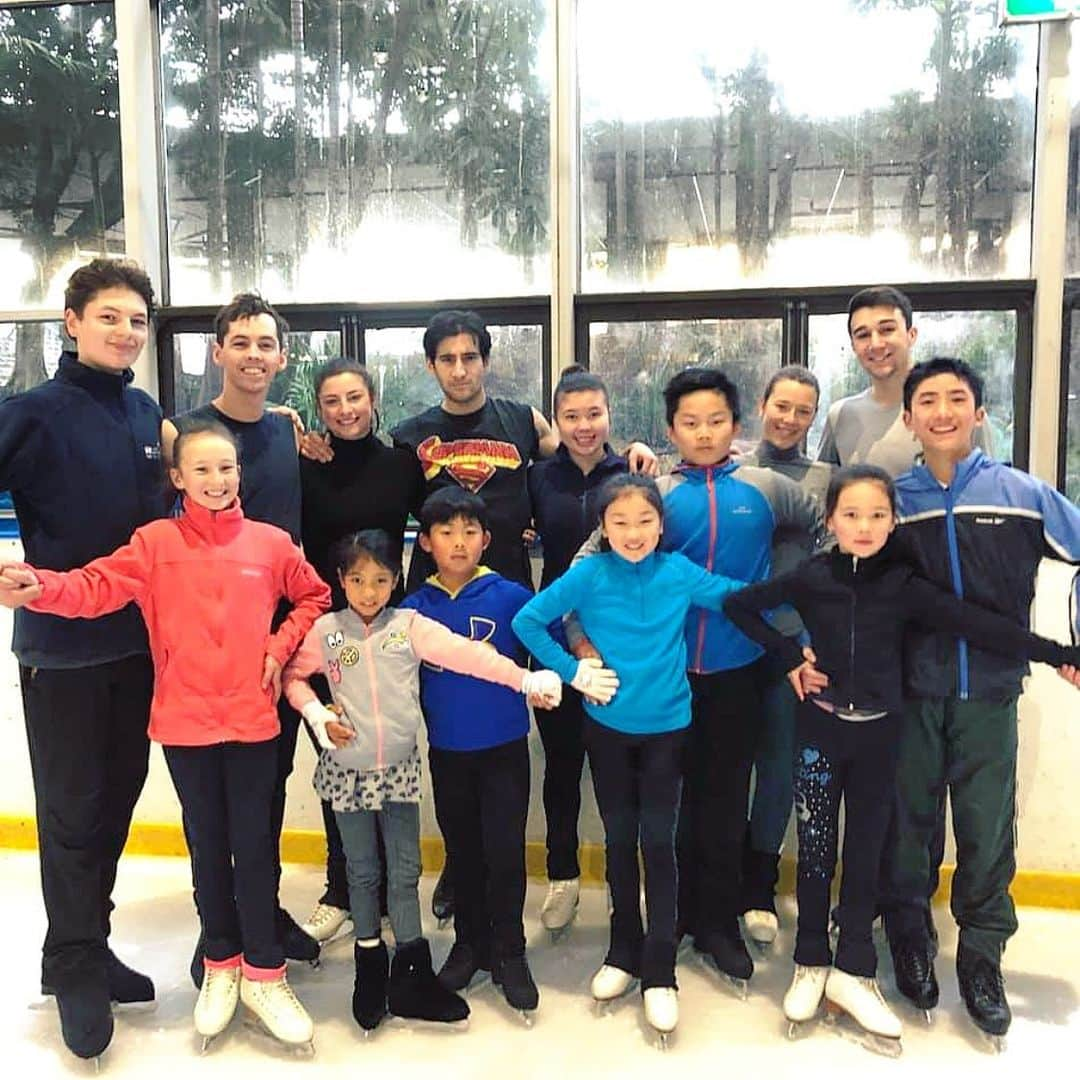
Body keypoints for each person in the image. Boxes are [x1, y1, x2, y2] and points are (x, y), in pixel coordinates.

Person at [723, 464, 1080, 1049]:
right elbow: (740, 606)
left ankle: (856, 970)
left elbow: (984, 627)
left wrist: (1059, 652)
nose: (864, 527)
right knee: (815, 853)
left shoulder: (907, 586)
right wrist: (789, 655)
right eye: (851, 515)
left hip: (879, 740)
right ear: (832, 520)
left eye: (877, 515)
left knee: (866, 854)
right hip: (820, 735)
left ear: (894, 522)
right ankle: (811, 959)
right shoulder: (813, 577)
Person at [0, 422, 331, 1051]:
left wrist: (278, 644)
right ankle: (220, 964)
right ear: (177, 478)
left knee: (255, 848)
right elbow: (96, 587)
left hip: (255, 719)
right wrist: (40, 587)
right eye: (201, 470)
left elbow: (313, 596)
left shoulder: (270, 543)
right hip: (185, 724)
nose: (217, 481)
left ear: (241, 475)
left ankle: (265, 971)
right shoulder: (154, 543)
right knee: (207, 849)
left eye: (227, 469)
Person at [282, 529, 560, 1034]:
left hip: (400, 770)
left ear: (395, 581)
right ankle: (370, 967)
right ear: (342, 580)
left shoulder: (408, 624)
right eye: (358, 580)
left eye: (382, 580)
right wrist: (318, 714)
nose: (370, 592)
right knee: (363, 872)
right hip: (348, 774)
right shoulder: (327, 632)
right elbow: (293, 678)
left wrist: (524, 679)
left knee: (406, 871)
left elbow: (468, 654)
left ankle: (411, 970)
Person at [880, 357, 1080, 1045]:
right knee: (908, 823)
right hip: (909, 694)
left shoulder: (1022, 495)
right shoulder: (892, 502)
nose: (942, 411)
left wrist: (1073, 643)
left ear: (979, 412)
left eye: (956, 399)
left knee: (987, 828)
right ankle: (909, 937)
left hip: (990, 693)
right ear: (908, 417)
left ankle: (981, 954)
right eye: (927, 400)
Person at [513, 473, 748, 1043]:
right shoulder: (589, 572)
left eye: (644, 521)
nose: (633, 532)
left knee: (658, 844)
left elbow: (736, 597)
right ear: (602, 527)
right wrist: (573, 673)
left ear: (661, 525)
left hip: (669, 729)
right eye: (619, 522)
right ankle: (622, 950)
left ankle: (660, 969)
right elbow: (528, 621)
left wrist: (810, 586)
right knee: (619, 841)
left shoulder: (677, 571)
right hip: (607, 731)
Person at [0, 258, 163, 1062]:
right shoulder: (31, 412)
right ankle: (71, 966)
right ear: (71, 320)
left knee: (118, 799)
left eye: (136, 320)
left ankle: (86, 945)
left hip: (136, 649)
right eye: (109, 316)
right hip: (60, 654)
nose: (125, 330)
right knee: (71, 814)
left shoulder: (142, 412)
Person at [648, 368, 824, 991]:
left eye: (716, 421)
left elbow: (829, 526)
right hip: (665, 674)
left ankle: (719, 924)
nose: (703, 432)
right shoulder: (657, 496)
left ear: (736, 424)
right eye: (690, 423)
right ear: (671, 429)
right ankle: (671, 922)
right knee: (673, 805)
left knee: (724, 800)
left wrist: (790, 606)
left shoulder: (766, 486)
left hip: (739, 671)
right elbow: (598, 555)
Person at [163, 293, 321, 979]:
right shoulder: (183, 432)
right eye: (242, 342)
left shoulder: (287, 430)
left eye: (266, 344)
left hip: (275, 653)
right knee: (210, 810)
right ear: (218, 351)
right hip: (205, 663)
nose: (254, 355)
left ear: (281, 358)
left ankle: (262, 912)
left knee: (270, 791)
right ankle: (218, 930)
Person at [398, 488, 548, 1020]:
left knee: (505, 852)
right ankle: (470, 944)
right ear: (427, 543)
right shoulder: (412, 609)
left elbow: (546, 648)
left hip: (505, 747)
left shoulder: (511, 597)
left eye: (469, 532)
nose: (458, 543)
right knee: (462, 851)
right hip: (448, 751)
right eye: (445, 532)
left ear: (486, 539)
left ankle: (510, 949)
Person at [295, 358, 426, 944]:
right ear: (318, 409)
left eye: (355, 397)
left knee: (388, 757)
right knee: (338, 757)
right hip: (328, 633)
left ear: (373, 399)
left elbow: (447, 516)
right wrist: (281, 423)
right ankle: (342, 888)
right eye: (332, 401)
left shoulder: (401, 464)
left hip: (388, 633)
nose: (345, 410)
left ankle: (392, 894)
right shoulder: (303, 464)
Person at [526, 365, 627, 935]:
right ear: (556, 422)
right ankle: (561, 877)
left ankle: (620, 886)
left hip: (619, 644)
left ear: (609, 415)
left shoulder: (634, 474)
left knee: (618, 772)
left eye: (594, 414)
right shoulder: (540, 477)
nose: (584, 426)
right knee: (561, 768)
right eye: (572, 416)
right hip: (554, 644)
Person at [736, 367, 833, 946]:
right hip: (725, 643)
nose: (790, 419)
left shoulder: (825, 479)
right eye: (782, 406)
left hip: (793, 647)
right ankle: (715, 881)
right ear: (762, 404)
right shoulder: (729, 468)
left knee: (776, 770)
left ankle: (759, 886)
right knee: (719, 770)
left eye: (803, 411)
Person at [817, 285, 993, 473]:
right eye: (863, 335)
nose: (875, 344)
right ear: (853, 345)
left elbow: (988, 486)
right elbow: (825, 492)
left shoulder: (957, 412)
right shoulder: (841, 416)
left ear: (911, 335)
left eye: (886, 330)